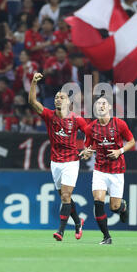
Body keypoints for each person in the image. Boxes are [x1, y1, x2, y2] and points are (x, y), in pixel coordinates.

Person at [28, 72, 87, 242]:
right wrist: (33, 82)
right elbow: (32, 102)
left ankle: (60, 231)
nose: (58, 99)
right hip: (55, 162)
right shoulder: (49, 115)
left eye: (61, 97)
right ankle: (78, 222)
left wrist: (88, 149)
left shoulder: (76, 119)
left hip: (71, 162)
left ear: (68, 102)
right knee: (65, 197)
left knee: (66, 196)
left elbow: (91, 134)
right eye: (56, 97)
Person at [80, 95, 135, 245]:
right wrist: (86, 153)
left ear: (110, 107)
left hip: (117, 170)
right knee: (98, 200)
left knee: (114, 207)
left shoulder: (119, 124)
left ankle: (122, 207)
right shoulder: (90, 128)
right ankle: (106, 237)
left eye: (104, 103)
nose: (101, 106)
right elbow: (88, 147)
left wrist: (119, 151)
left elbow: (132, 141)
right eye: (98, 104)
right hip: (100, 170)